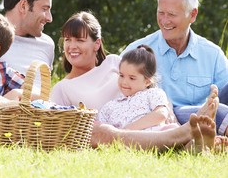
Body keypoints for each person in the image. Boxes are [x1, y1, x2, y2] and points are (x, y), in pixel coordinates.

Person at [50, 11, 220, 151]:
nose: (71, 46)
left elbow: (149, 85)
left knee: (185, 117)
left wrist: (168, 111)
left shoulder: (114, 62)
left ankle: (195, 141)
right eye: (67, 40)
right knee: (98, 130)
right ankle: (184, 135)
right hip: (113, 133)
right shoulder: (62, 88)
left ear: (96, 44)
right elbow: (56, 127)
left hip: (150, 119)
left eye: (79, 40)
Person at [121, 0, 228, 136]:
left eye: (171, 14)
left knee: (218, 110)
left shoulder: (213, 54)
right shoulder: (136, 51)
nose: (165, 21)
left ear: (193, 15)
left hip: (207, 118)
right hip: (161, 122)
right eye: (161, 13)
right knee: (219, 113)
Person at [97, 45, 179, 131]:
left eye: (132, 78)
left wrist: (127, 129)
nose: (124, 82)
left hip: (156, 136)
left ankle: (188, 136)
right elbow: (99, 129)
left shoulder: (153, 93)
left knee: (172, 129)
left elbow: (161, 114)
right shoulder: (110, 106)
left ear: (147, 81)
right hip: (126, 139)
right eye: (121, 75)